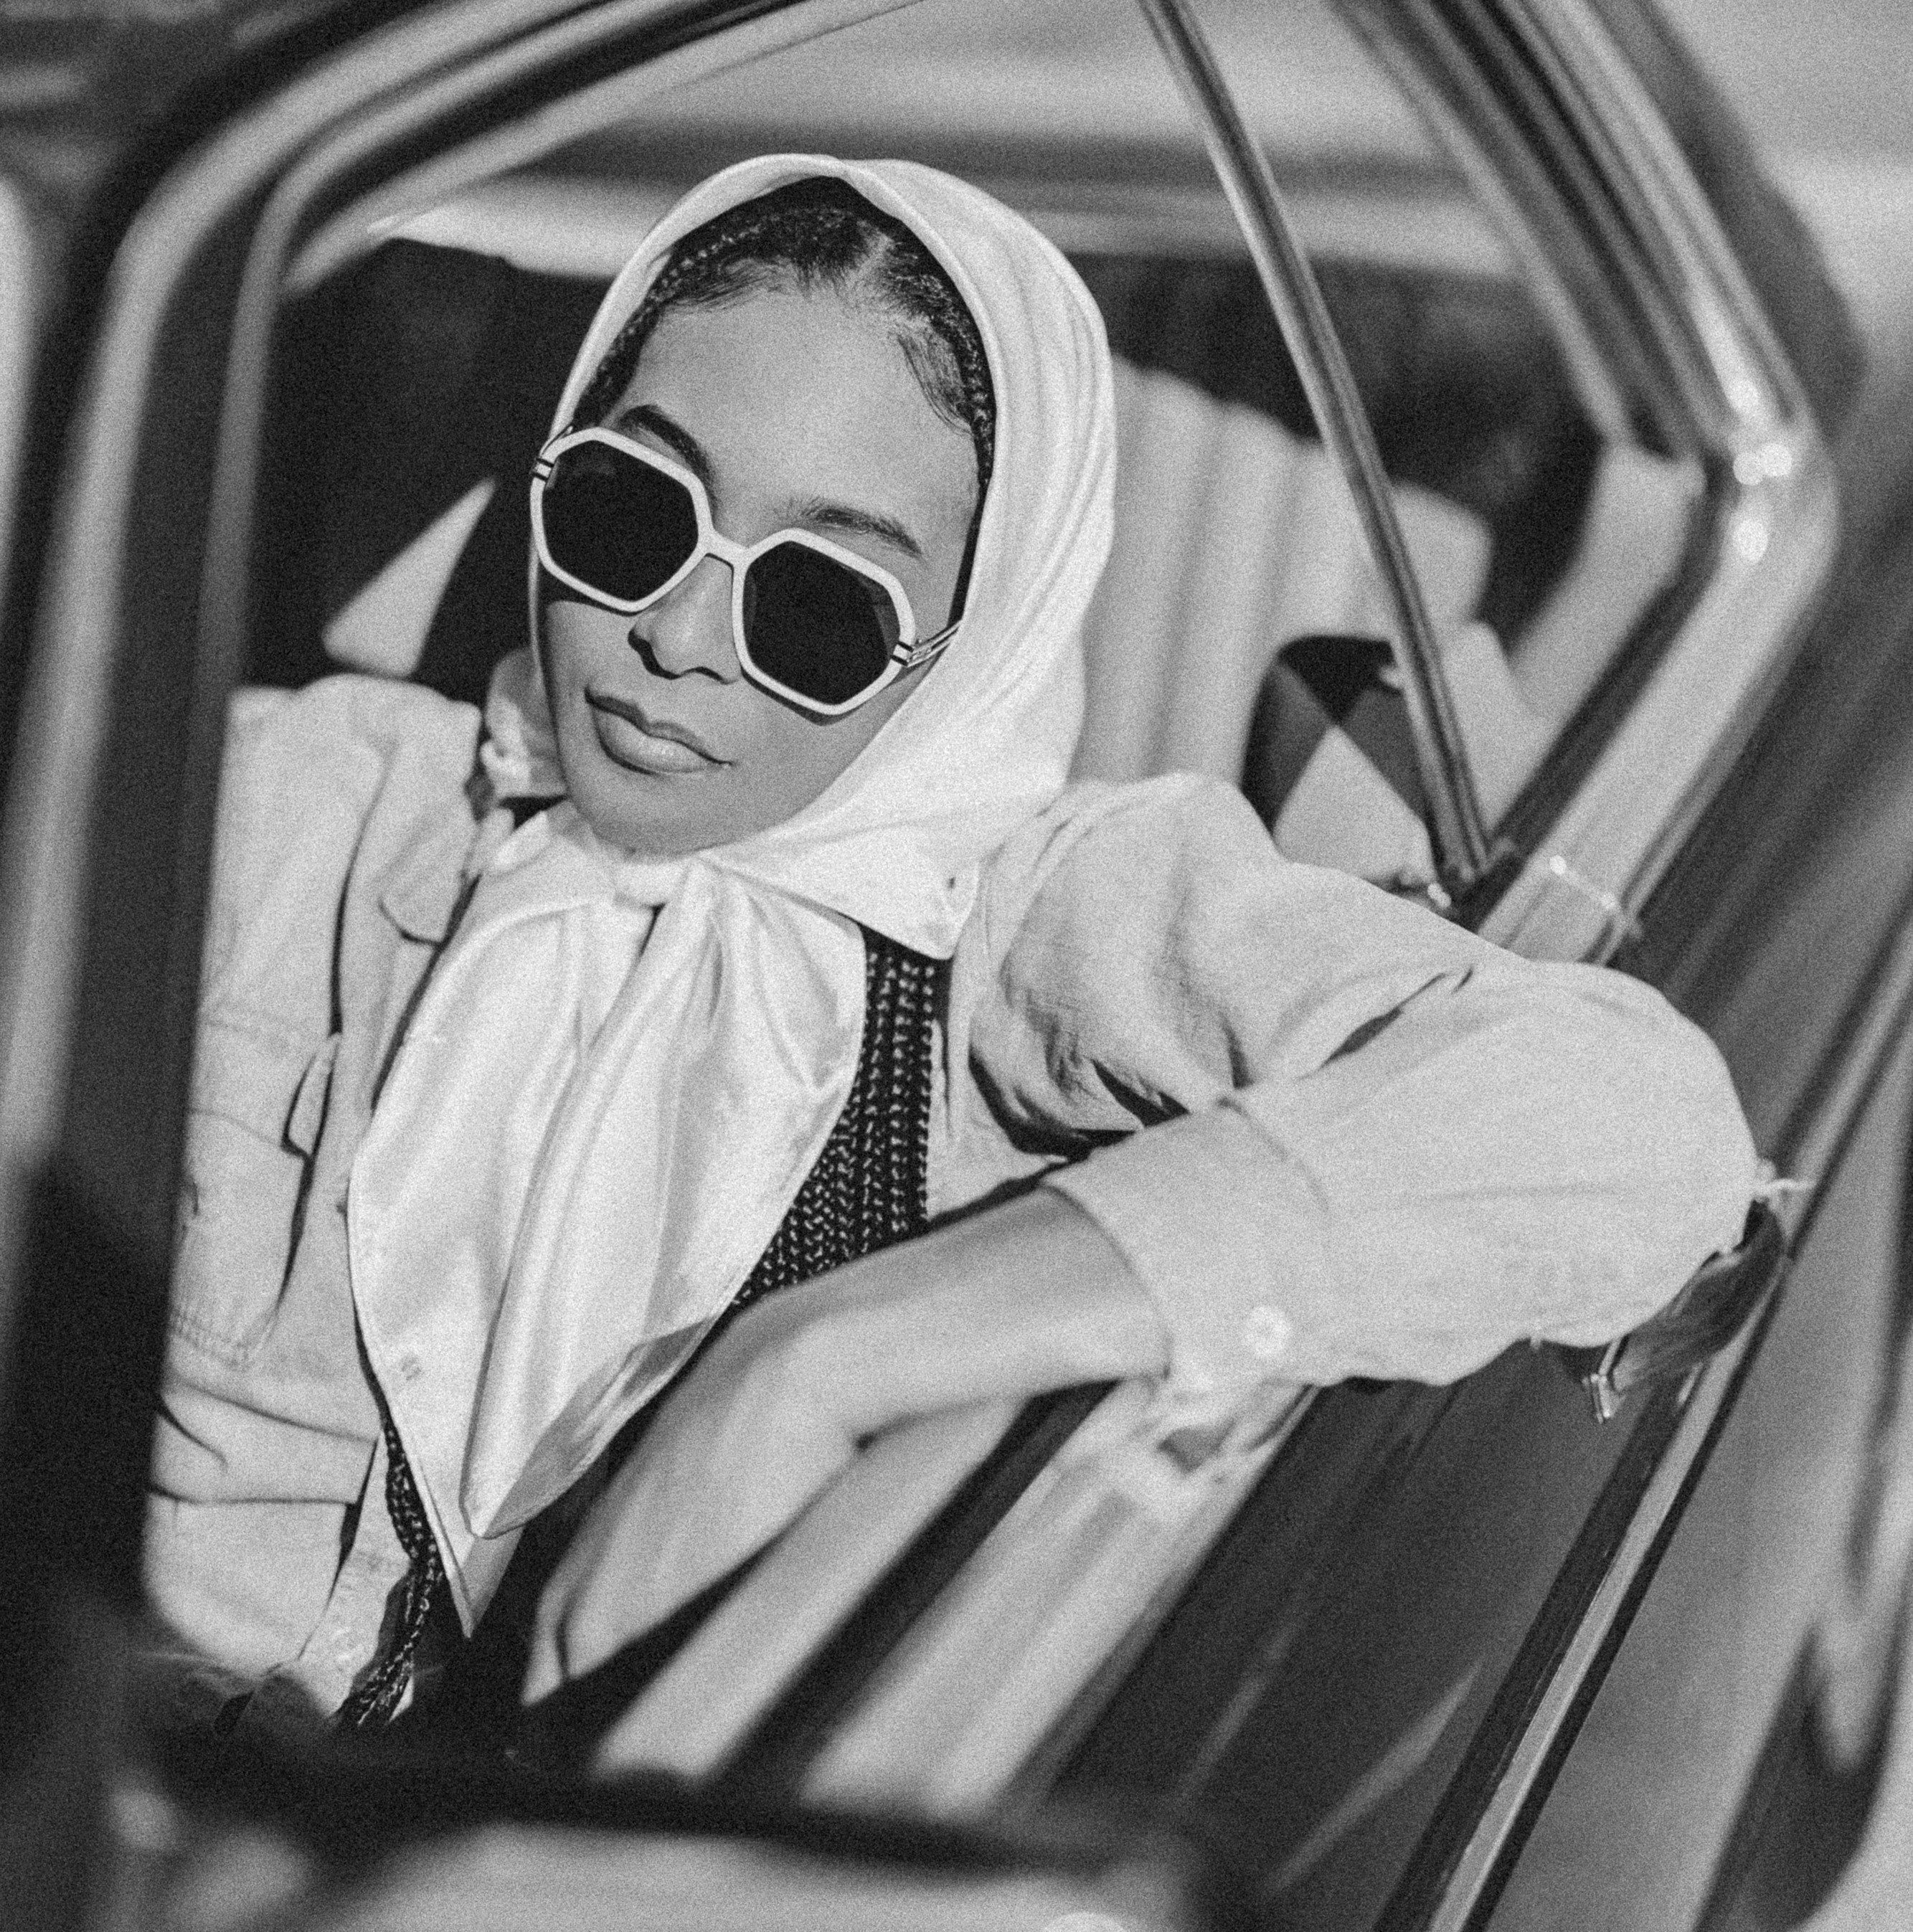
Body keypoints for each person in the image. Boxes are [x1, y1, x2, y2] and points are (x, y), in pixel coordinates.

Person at [143, 154, 1760, 1737]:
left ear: (969, 639)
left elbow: (1630, 1119)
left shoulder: (1014, 918)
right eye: (633, 509)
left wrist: (835, 1351)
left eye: (819, 601)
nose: (673, 640)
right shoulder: (316, 794)